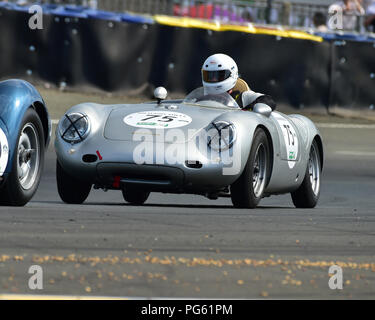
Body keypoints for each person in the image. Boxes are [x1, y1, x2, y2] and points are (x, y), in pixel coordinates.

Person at [201, 53, 276, 110]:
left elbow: (269, 102)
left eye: (219, 76)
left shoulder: (243, 97)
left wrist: (246, 110)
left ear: (232, 74)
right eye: (209, 76)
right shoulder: (201, 98)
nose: (213, 80)